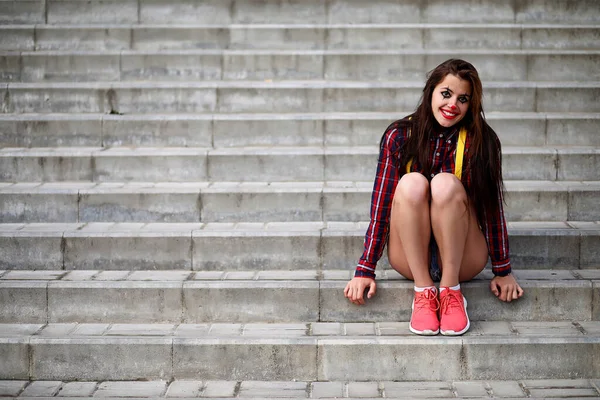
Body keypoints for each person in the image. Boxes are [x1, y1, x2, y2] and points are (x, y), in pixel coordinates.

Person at [343, 59, 523, 336]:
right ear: (430, 92)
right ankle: (424, 292)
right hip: (411, 259)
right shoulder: (399, 135)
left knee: (444, 184)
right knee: (412, 182)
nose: (453, 105)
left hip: (464, 258)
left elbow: (491, 209)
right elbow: (381, 208)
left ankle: (451, 293)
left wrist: (503, 269)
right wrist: (365, 268)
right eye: (446, 94)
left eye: (463, 99)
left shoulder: (482, 141)